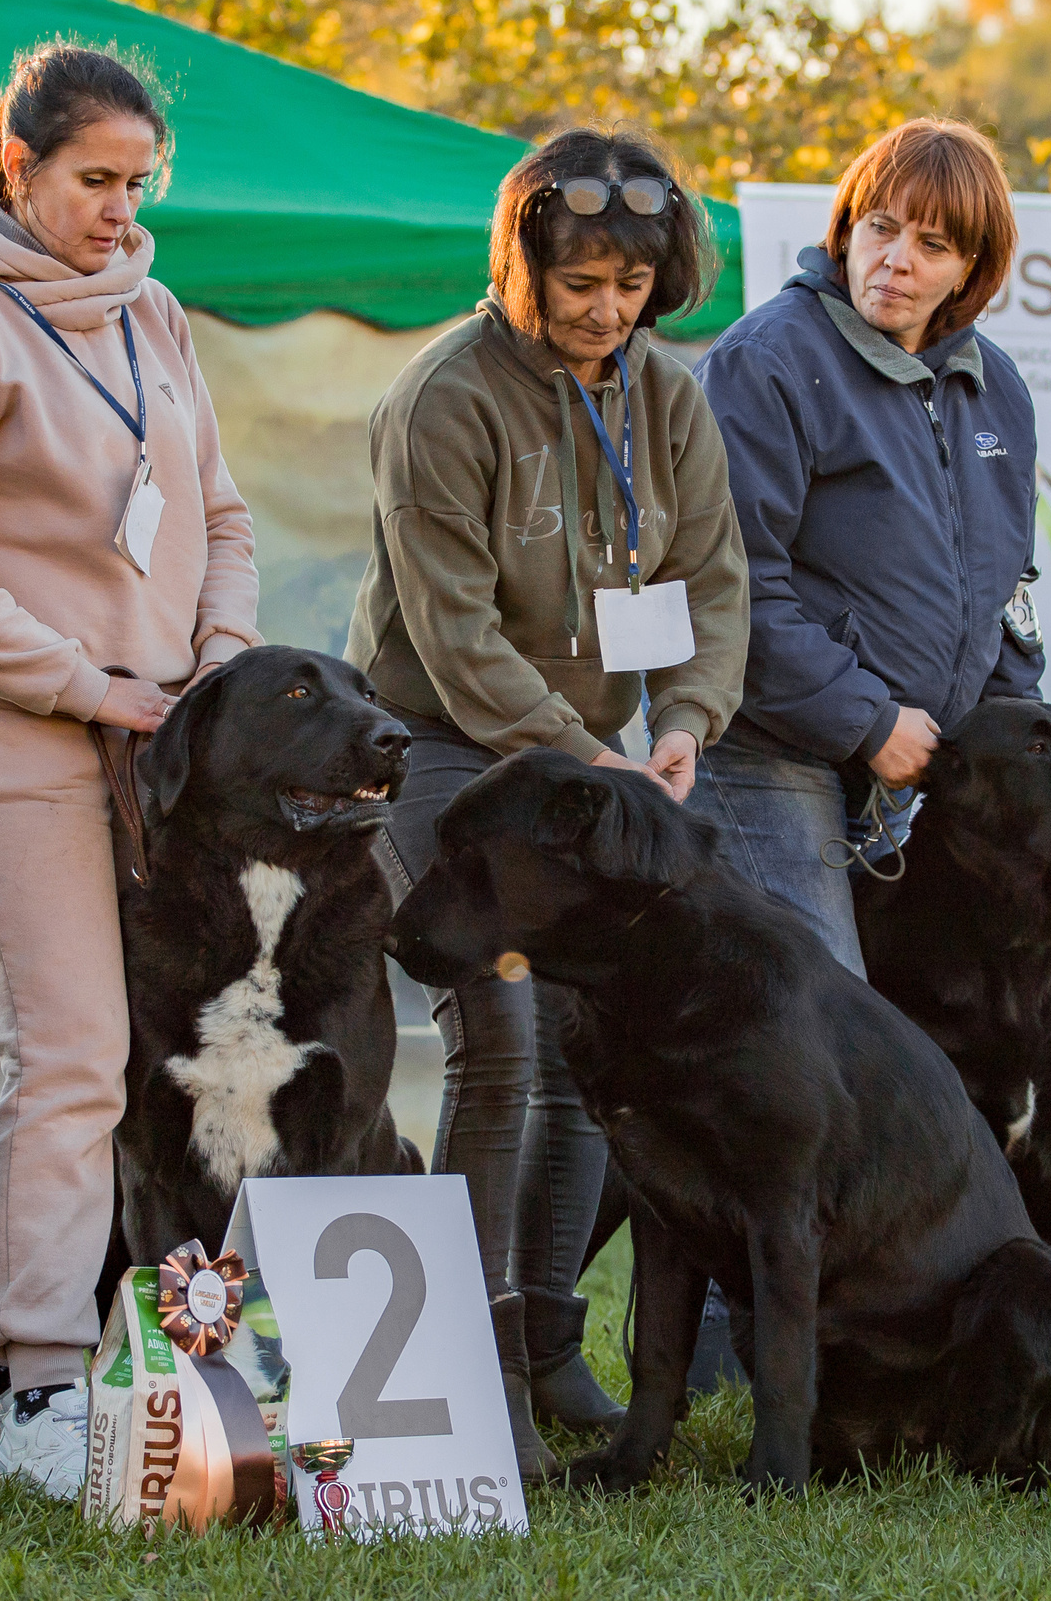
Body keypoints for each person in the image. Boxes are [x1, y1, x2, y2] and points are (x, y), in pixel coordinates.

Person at [0, 42, 257, 1501]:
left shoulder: (154, 311)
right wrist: (86, 683)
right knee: (73, 1050)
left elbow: (221, 510)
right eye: (95, 180)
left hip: (168, 748)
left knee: (130, 1055)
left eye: (139, 183)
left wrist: (214, 663)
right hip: (28, 737)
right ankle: (41, 1379)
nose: (119, 208)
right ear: (15, 165)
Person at [344, 126, 748, 1478]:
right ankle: (457, 1355)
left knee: (589, 1026)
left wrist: (681, 723)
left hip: (590, 757)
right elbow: (455, 638)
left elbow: (712, 582)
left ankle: (547, 1341)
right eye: (580, 279)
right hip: (437, 744)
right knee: (504, 1020)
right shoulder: (444, 397)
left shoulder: (669, 398)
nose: (605, 308)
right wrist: (589, 756)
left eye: (630, 283)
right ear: (523, 259)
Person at [694, 118, 1040, 976]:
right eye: (881, 228)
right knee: (821, 1033)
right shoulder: (764, 361)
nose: (897, 260)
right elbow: (729, 586)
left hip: (907, 778)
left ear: (972, 269)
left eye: (933, 244)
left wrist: (1009, 737)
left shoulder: (999, 390)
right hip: (768, 752)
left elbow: (998, 594)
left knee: (889, 1043)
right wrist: (871, 719)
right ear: (846, 228)